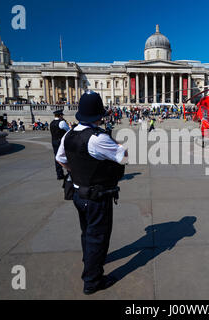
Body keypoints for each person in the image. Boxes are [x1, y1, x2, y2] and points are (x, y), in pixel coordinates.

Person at [55, 91, 127, 295]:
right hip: (97, 196)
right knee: (98, 237)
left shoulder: (69, 134)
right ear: (99, 115)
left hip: (78, 194)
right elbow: (123, 158)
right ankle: (92, 281)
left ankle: (90, 261)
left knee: (87, 233)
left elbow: (60, 158)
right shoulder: (98, 138)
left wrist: (77, 173)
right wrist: (120, 146)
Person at [50, 110, 70, 180]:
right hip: (61, 142)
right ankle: (70, 172)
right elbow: (68, 130)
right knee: (67, 156)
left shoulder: (52, 123)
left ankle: (59, 174)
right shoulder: (61, 122)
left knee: (57, 157)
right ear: (60, 115)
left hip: (54, 141)